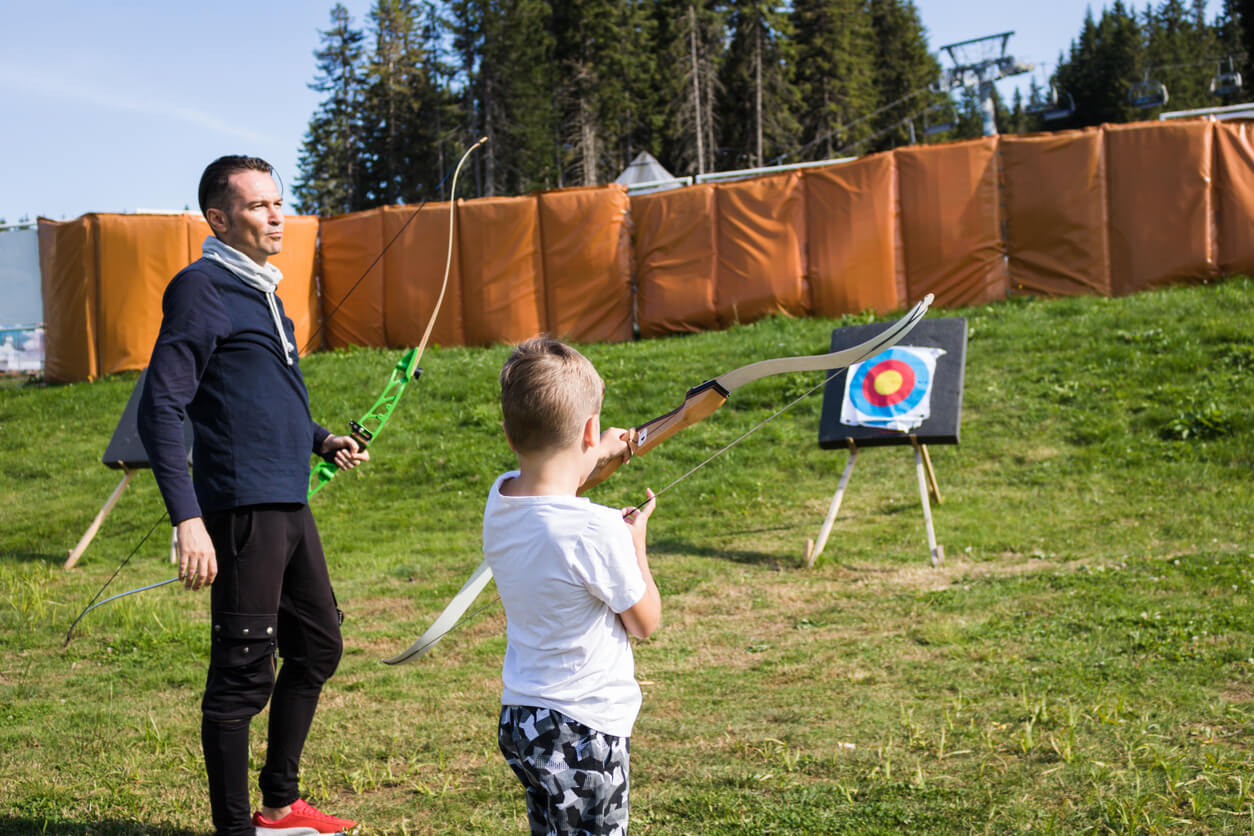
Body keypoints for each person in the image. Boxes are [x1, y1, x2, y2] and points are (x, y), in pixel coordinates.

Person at [138, 155, 365, 836]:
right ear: (218, 218)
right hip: (240, 509)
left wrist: (322, 439)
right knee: (241, 677)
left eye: (279, 202)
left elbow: (264, 396)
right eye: (259, 206)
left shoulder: (263, 290)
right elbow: (160, 407)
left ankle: (279, 806)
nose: (277, 216)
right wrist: (189, 519)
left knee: (319, 646)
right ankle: (236, 829)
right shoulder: (201, 288)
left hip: (288, 500)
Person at [486, 336, 661, 836]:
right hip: (585, 730)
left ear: (508, 433)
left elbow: (550, 491)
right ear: (590, 427)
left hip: (524, 720)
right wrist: (636, 544)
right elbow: (645, 621)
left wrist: (595, 452)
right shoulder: (597, 530)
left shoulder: (499, 498)